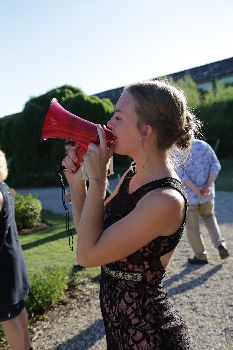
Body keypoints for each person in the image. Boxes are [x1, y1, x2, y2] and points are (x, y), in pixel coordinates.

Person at [62, 80, 199, 349]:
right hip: (121, 334)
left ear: (145, 131)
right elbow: (90, 234)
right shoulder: (132, 176)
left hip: (150, 337)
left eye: (118, 116)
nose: (109, 123)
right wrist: (79, 183)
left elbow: (87, 256)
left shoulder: (165, 201)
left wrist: (99, 180)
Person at [177, 139, 229, 264]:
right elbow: (216, 165)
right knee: (210, 217)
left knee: (192, 227)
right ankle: (220, 244)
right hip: (207, 195)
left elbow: (181, 174)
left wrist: (196, 190)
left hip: (190, 197)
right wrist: (208, 186)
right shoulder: (204, 145)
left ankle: (200, 256)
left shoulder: (178, 150)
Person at [0, 150, 32, 350]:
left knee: (7, 316)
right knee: (17, 310)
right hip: (11, 257)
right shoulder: (3, 187)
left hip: (2, 265)